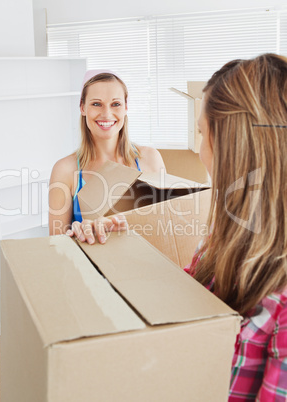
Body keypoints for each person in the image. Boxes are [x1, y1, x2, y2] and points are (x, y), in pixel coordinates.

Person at [186, 53, 287, 400]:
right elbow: (183, 292)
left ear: (234, 145)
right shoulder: (222, 239)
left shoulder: (282, 308)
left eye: (202, 133)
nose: (200, 150)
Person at [49, 69, 166, 243]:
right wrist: (78, 234)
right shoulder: (66, 170)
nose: (106, 114)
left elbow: (167, 227)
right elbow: (56, 247)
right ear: (82, 107)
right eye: (96, 104)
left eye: (115, 104)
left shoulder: (149, 159)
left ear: (126, 107)